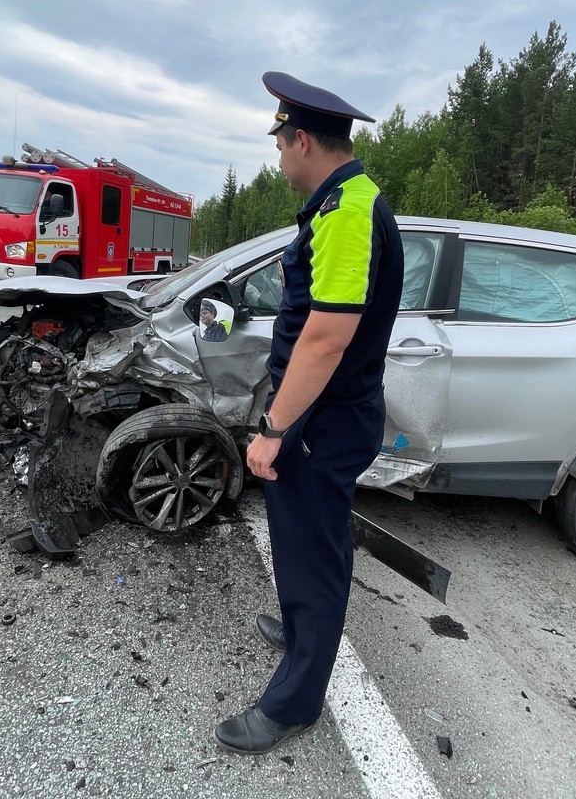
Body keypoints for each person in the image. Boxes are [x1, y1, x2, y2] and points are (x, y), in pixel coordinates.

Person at [214, 72, 404, 754]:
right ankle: (302, 629)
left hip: (324, 422)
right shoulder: (342, 202)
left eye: (280, 143)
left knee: (318, 554)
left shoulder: (349, 211)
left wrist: (272, 429)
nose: (279, 158)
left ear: (301, 140)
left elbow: (327, 336)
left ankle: (295, 703)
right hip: (321, 416)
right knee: (300, 542)